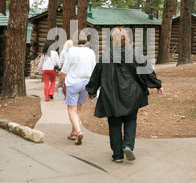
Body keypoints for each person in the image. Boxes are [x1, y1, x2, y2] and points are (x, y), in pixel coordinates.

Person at [86, 27, 163, 163]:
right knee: (130, 120)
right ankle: (127, 145)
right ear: (127, 39)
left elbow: (96, 75)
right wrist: (157, 84)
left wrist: (92, 91)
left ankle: (117, 155)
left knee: (114, 123)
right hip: (132, 95)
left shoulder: (105, 56)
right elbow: (147, 72)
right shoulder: (135, 54)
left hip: (111, 95)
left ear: (112, 40)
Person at [57, 39, 96, 145]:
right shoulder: (91, 52)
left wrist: (60, 82)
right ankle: (74, 132)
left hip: (73, 83)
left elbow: (64, 70)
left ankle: (78, 131)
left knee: (71, 109)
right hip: (86, 83)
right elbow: (93, 69)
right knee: (79, 108)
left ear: (76, 41)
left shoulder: (71, 51)